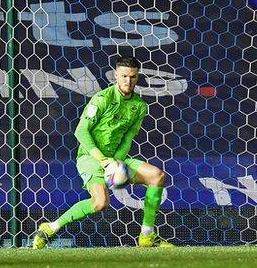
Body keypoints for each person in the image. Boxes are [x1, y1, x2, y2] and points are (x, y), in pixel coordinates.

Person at [32, 55, 174, 248]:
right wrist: (103, 160)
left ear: (137, 76)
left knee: (157, 177)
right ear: (116, 75)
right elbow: (80, 131)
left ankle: (147, 236)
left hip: (117, 159)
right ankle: (50, 227)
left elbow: (128, 138)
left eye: (133, 77)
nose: (128, 81)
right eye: (124, 76)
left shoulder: (140, 106)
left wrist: (116, 162)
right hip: (91, 158)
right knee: (100, 203)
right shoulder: (101, 99)